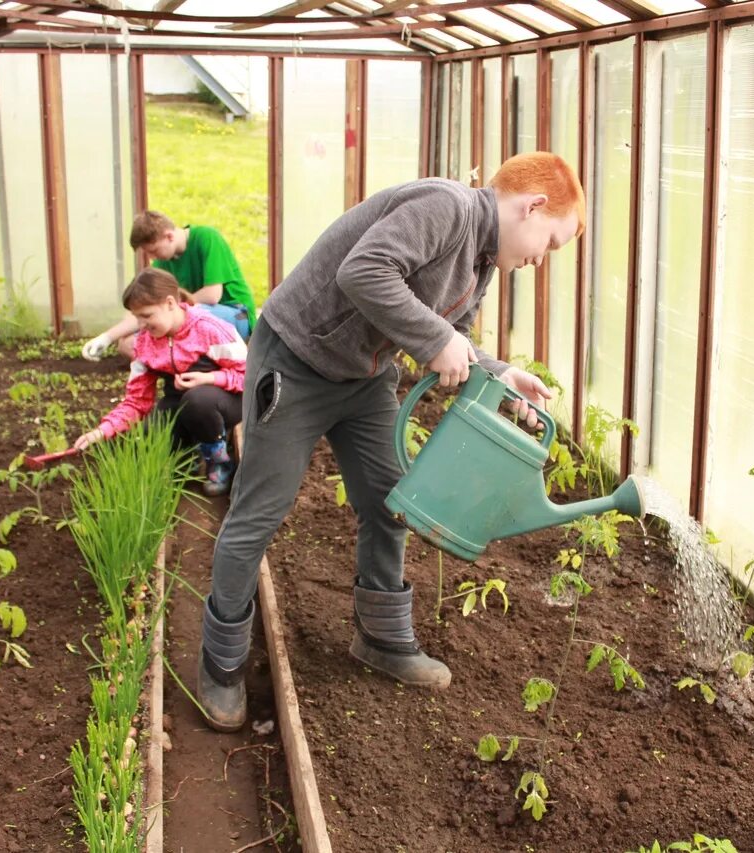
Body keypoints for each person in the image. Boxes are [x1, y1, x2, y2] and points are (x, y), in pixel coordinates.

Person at [194, 151, 586, 732]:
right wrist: (434, 340)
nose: (537, 261)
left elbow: (450, 340)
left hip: (365, 376)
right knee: (260, 511)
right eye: (549, 244)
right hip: (298, 361)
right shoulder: (445, 208)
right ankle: (221, 664)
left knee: (388, 503)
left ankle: (382, 638)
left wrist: (495, 371)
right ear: (532, 207)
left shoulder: (481, 260)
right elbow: (364, 271)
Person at [74, 268, 248, 496]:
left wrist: (210, 377)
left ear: (169, 303)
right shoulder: (145, 344)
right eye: (137, 318)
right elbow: (136, 402)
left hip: (227, 400)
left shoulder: (210, 329)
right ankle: (188, 454)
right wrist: (102, 431)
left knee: (198, 400)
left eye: (147, 315)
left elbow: (250, 376)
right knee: (149, 435)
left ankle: (218, 458)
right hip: (180, 403)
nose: (141, 324)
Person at [82, 211, 257, 360]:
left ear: (169, 236)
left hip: (234, 313)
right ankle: (171, 364)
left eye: (154, 250)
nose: (152, 258)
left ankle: (175, 363)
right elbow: (146, 307)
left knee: (172, 323)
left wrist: (169, 312)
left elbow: (212, 295)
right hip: (193, 314)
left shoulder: (207, 238)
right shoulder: (163, 261)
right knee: (128, 343)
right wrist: (108, 337)